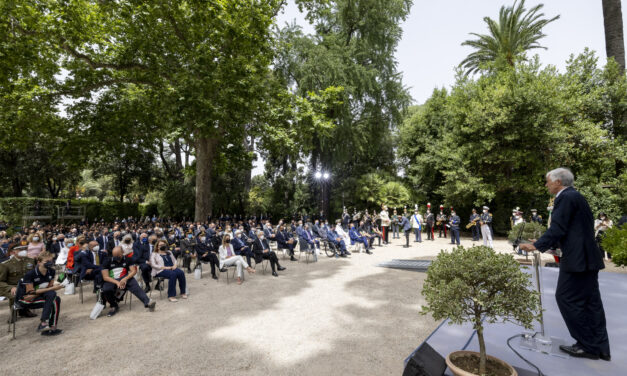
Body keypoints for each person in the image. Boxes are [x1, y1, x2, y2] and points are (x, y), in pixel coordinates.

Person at [520, 168, 610, 361]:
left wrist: (537, 245)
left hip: (577, 260)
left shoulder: (565, 197)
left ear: (558, 182)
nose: (546, 185)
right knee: (591, 303)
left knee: (566, 298)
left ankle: (587, 345)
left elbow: (558, 227)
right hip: (587, 258)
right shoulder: (576, 196)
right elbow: (571, 230)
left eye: (548, 181)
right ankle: (601, 347)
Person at [15, 251, 63, 335]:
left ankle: (46, 325)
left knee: (54, 296)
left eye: (50, 261)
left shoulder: (51, 271)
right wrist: (52, 288)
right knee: (54, 298)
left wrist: (53, 287)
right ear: (39, 262)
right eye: (46, 261)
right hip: (26, 299)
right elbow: (31, 293)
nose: (49, 263)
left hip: (41, 296)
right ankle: (48, 325)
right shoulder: (30, 274)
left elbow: (49, 288)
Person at [100, 246, 156, 317]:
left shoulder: (128, 259)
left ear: (122, 252)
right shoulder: (107, 261)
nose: (116, 257)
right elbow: (105, 277)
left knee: (135, 286)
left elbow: (133, 271)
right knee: (106, 289)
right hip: (112, 279)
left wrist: (125, 279)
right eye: (115, 255)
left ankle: (148, 302)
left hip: (125, 277)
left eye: (118, 255)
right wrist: (117, 282)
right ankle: (113, 306)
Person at [0, 244, 38, 320]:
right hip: (12, 286)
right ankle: (14, 313)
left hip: (27, 285)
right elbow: (1, 281)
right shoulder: (6, 264)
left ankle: (24, 310)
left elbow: (35, 274)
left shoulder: (30, 261)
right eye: (20, 250)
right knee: (16, 294)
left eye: (24, 249)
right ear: (13, 252)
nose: (23, 251)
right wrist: (11, 288)